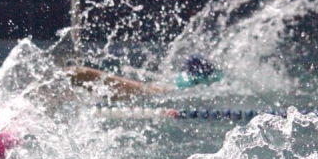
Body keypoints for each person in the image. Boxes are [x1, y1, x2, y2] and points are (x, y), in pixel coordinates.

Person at [67, 55, 222, 100]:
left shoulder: (175, 88)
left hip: (154, 91)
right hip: (156, 90)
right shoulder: (176, 86)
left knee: (76, 73)